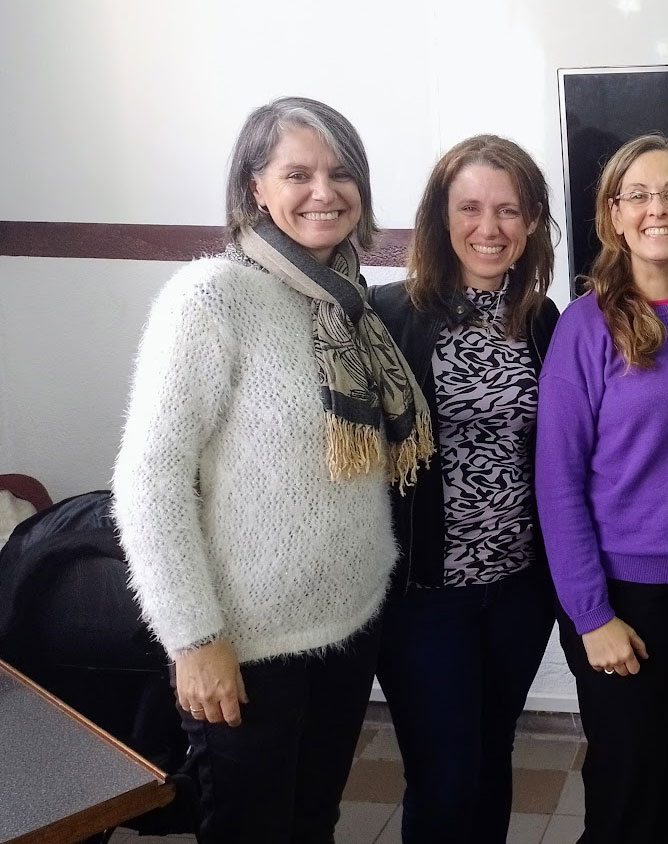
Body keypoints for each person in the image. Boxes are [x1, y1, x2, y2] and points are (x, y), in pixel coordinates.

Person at [112, 96, 433, 843]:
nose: (325, 191)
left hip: (349, 625)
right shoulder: (211, 297)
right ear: (255, 187)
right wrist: (194, 640)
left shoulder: (349, 303)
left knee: (313, 820)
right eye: (298, 174)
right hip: (247, 646)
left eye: (342, 173)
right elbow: (150, 481)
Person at [535, 134, 668, 844]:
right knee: (629, 789)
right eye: (639, 196)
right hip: (625, 598)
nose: (658, 209)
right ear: (614, 216)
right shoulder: (583, 327)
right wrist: (591, 615)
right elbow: (557, 483)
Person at [367, 135, 560, 844]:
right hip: (425, 596)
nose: (489, 227)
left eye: (508, 210)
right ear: (440, 219)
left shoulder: (542, 320)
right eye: (470, 208)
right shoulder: (388, 317)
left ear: (531, 221)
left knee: (491, 756)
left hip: (519, 590)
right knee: (444, 777)